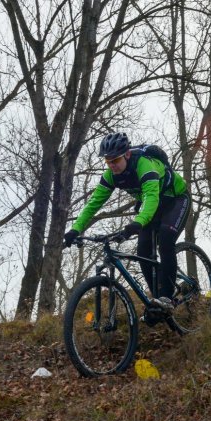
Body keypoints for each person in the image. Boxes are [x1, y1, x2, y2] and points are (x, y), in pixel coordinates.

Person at [63, 132, 191, 316]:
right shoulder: (111, 175)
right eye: (108, 161)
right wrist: (75, 229)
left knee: (166, 238)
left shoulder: (144, 165)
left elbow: (151, 198)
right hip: (152, 207)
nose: (112, 165)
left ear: (127, 155)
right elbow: (93, 204)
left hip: (176, 199)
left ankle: (167, 298)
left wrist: (136, 223)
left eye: (115, 160)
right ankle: (156, 302)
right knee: (142, 252)